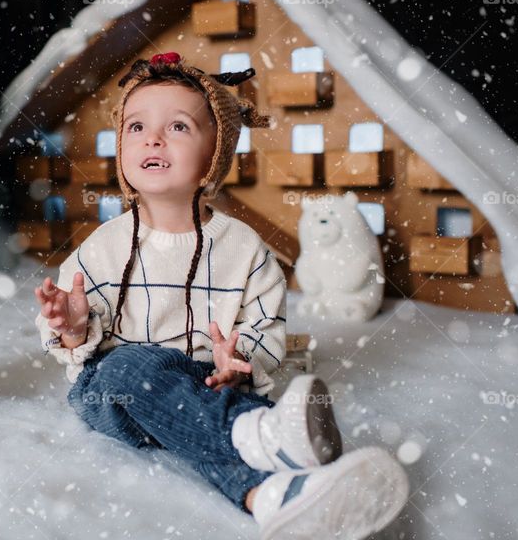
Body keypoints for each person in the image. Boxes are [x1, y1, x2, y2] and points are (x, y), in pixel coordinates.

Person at [34, 52, 409, 539]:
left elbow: (265, 328)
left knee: (217, 416)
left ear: (216, 153)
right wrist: (73, 325)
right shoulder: (103, 247)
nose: (153, 138)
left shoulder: (246, 249)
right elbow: (65, 338)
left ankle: (274, 498)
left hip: (208, 387)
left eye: (178, 127)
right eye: (137, 127)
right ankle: (258, 435)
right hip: (115, 392)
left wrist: (241, 361)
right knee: (131, 367)